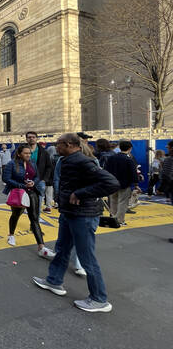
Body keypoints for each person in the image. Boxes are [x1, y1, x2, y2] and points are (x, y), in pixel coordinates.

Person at [32, 133, 120, 313]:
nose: (56, 147)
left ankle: (99, 299)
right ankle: (54, 281)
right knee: (62, 249)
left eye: (59, 144)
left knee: (87, 257)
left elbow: (111, 182)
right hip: (69, 213)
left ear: (70, 144)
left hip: (83, 216)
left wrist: (80, 193)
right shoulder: (67, 160)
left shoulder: (82, 161)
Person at [2, 144, 55, 259]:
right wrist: (21, 185)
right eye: (25, 153)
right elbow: (6, 178)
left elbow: (37, 176)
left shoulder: (32, 163)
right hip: (19, 194)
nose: (28, 155)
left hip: (32, 193)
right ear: (19, 154)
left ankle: (41, 247)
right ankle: (11, 235)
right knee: (16, 215)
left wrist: (34, 183)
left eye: (29, 153)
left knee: (34, 218)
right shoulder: (12, 163)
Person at [103, 140, 138, 226]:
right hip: (124, 184)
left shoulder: (111, 158)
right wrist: (136, 185)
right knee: (122, 203)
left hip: (112, 183)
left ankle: (113, 218)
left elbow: (105, 170)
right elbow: (133, 173)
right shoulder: (129, 159)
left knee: (113, 201)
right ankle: (119, 220)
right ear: (130, 149)